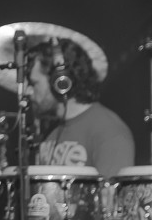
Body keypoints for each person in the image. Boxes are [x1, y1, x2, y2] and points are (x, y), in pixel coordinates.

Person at [25, 35, 135, 177]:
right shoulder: (53, 134)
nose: (28, 91)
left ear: (60, 82)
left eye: (34, 83)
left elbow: (111, 191)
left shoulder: (109, 131)